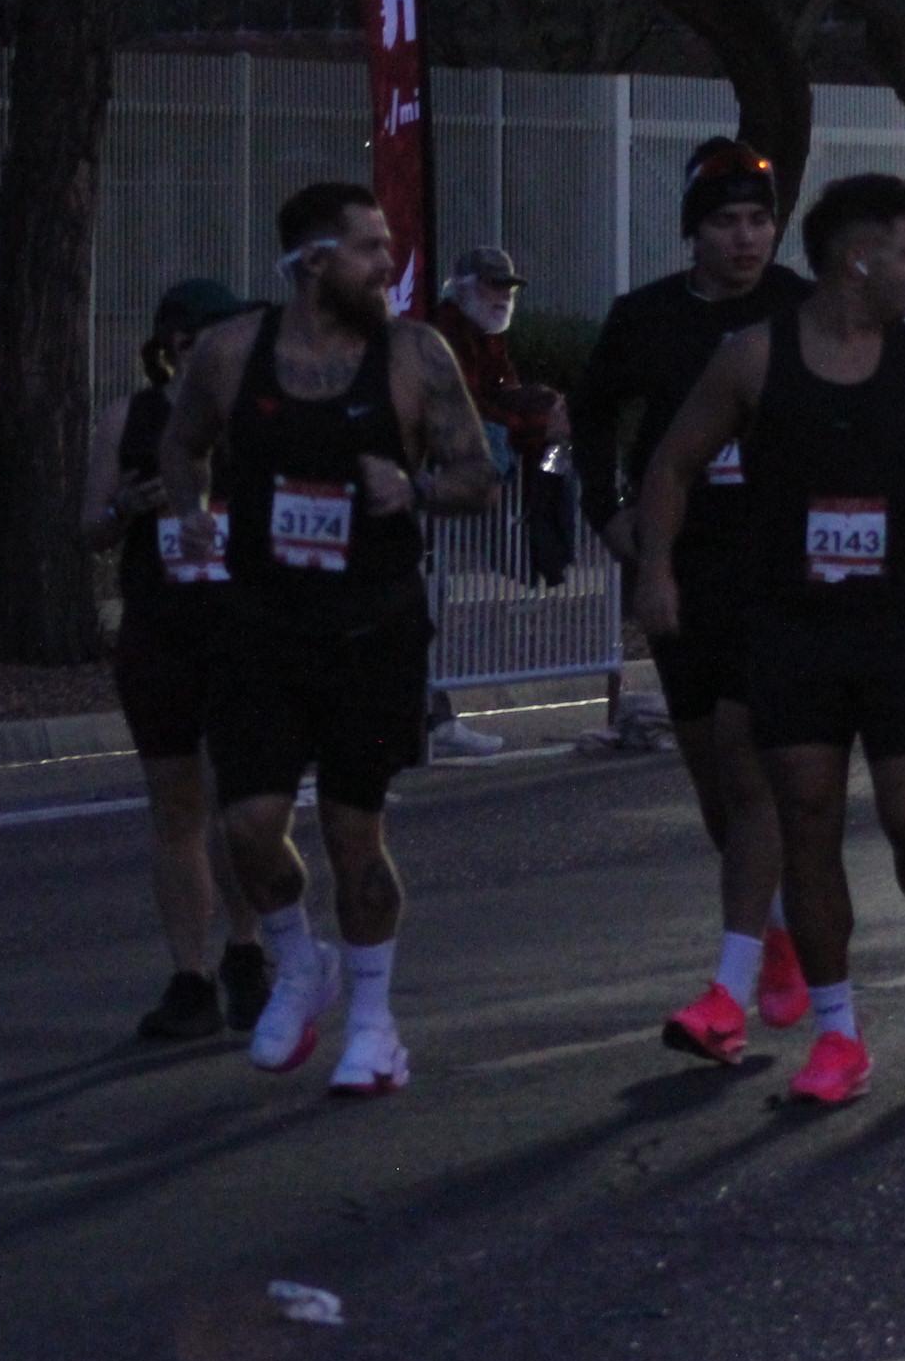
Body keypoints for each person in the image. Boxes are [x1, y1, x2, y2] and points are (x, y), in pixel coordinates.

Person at [631, 171, 905, 1108]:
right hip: (794, 623)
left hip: (901, 624)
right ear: (857, 260)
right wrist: (655, 570)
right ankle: (839, 1035)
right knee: (806, 820)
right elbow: (672, 464)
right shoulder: (754, 358)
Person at [159, 182, 501, 1094]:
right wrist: (191, 512)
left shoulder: (414, 356)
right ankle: (299, 960)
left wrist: (415, 490)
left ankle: (375, 1024)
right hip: (261, 625)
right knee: (247, 825)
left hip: (372, 628)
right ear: (315, 263)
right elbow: (181, 444)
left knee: (356, 833)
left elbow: (479, 477)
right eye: (370, 249)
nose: (389, 265)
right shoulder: (234, 353)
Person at [575, 139, 817, 1063]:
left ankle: (731, 983)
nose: (745, 239)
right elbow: (593, 415)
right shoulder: (646, 318)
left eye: (759, 221)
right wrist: (610, 513)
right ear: (693, 232)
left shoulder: (801, 308)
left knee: (747, 767)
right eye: (725, 223)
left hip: (777, 568)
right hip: (682, 566)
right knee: (715, 783)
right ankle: (776, 930)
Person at [87, 277, 269, 1042]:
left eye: (214, 341)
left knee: (238, 802)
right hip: (160, 631)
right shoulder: (128, 418)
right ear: (165, 347)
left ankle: (248, 950)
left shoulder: (259, 419)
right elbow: (89, 527)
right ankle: (190, 977)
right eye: (185, 342)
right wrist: (127, 505)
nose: (198, 356)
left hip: (242, 631)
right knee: (175, 807)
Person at [423, 246, 556, 759]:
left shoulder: (486, 336)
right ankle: (429, 718)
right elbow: (469, 407)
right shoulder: (446, 334)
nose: (503, 297)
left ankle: (434, 717)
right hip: (430, 492)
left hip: (444, 497)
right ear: (463, 288)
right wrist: (522, 421)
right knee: (419, 604)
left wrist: (536, 409)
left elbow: (503, 395)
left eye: (508, 288)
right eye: (493, 286)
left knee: (427, 604)